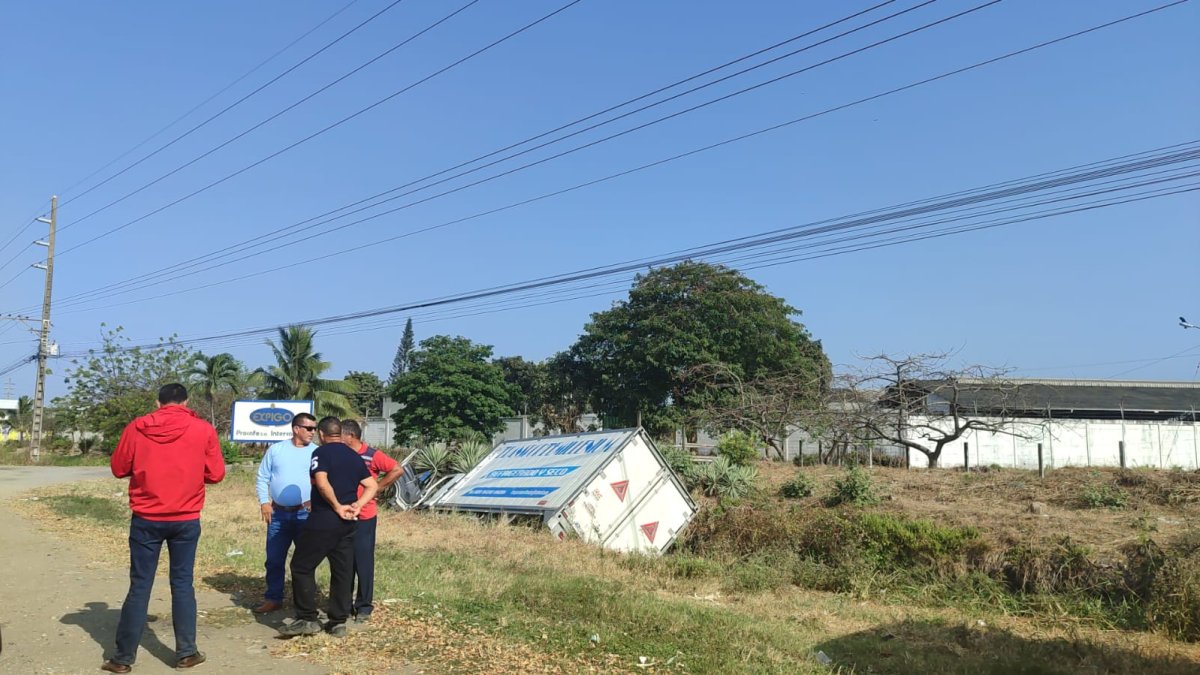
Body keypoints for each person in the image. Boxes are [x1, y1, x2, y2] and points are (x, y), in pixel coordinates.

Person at [102, 383, 225, 673]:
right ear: (185, 402)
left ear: (158, 403)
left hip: (146, 517)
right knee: (182, 584)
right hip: (185, 518)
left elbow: (119, 468)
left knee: (140, 585)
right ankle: (186, 653)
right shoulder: (202, 429)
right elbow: (217, 474)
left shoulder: (137, 427)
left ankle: (122, 659)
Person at [279, 417, 378, 638]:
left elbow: (322, 482)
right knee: (342, 570)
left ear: (322, 435)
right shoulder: (354, 456)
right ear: (340, 433)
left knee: (302, 566)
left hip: (324, 519)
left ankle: (307, 618)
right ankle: (338, 622)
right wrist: (358, 505)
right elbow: (372, 485)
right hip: (349, 523)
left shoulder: (320, 453)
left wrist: (337, 506)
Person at [252, 411, 319, 614]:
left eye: (314, 429)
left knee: (304, 561)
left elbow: (324, 481)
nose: (312, 432)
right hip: (278, 514)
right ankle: (274, 598)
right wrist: (264, 502)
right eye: (309, 428)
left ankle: (304, 602)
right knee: (274, 558)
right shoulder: (277, 450)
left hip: (305, 515)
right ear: (296, 429)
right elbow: (263, 477)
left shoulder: (316, 452)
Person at [339, 419, 404, 622]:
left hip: (365, 516)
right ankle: (344, 604)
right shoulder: (341, 455)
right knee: (344, 561)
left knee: (363, 562)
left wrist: (378, 487)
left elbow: (396, 469)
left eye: (340, 435)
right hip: (343, 514)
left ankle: (364, 606)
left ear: (350, 436)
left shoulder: (371, 455)